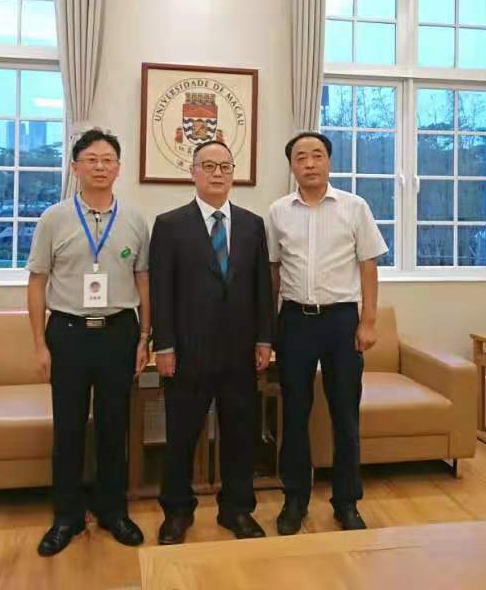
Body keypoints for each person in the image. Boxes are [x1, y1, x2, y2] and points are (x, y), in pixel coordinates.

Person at [28, 128, 151, 557]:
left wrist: (144, 336)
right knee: (69, 428)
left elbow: (143, 279)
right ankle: (67, 517)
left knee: (115, 426)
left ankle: (113, 511)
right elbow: (37, 281)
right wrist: (39, 344)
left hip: (119, 332)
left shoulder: (135, 220)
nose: (100, 167)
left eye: (107, 160)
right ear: (75, 167)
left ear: (118, 168)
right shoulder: (54, 218)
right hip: (68, 333)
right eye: (91, 160)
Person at [149, 140, 274, 545]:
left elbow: (262, 287)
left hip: (240, 353)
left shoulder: (253, 224)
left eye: (225, 166)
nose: (217, 173)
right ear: (193, 172)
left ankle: (237, 510)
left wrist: (264, 339)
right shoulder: (169, 225)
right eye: (208, 166)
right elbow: (161, 291)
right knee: (181, 438)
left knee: (240, 436)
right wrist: (163, 346)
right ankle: (177, 512)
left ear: (233, 173)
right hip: (187, 353)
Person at [267, 132, 387, 535]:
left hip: (341, 322)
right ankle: (294, 500)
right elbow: (273, 271)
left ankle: (346, 502)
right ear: (291, 166)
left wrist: (368, 321)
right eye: (301, 157)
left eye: (317, 155)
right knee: (294, 414)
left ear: (328, 161)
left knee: (345, 415)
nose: (309, 163)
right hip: (295, 321)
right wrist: (270, 327)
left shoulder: (354, 207)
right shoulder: (278, 212)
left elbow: (368, 266)